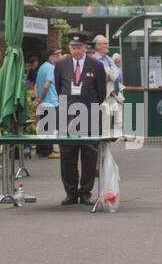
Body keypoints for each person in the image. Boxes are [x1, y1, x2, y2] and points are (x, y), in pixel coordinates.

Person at [53, 32, 106, 205]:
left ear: (85, 47)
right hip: (67, 116)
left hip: (89, 115)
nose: (76, 51)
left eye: (79, 48)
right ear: (70, 48)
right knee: (67, 156)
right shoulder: (61, 65)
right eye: (73, 48)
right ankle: (70, 192)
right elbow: (59, 87)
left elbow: (101, 92)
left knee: (89, 156)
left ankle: (85, 192)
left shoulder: (96, 65)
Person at [92, 35, 122, 137]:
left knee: (106, 122)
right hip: (97, 96)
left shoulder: (109, 59)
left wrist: (109, 75)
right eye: (105, 43)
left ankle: (105, 148)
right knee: (96, 124)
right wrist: (109, 76)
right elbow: (98, 76)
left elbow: (118, 74)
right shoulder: (93, 59)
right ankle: (97, 149)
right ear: (97, 46)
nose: (107, 45)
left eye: (107, 43)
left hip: (109, 96)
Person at [34, 47, 61, 157]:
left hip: (43, 103)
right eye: (57, 55)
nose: (59, 57)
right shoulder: (51, 68)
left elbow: (36, 85)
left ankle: (40, 150)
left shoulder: (41, 67)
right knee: (49, 127)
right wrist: (41, 98)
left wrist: (38, 99)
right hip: (51, 101)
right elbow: (46, 86)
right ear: (51, 57)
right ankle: (48, 151)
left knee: (43, 126)